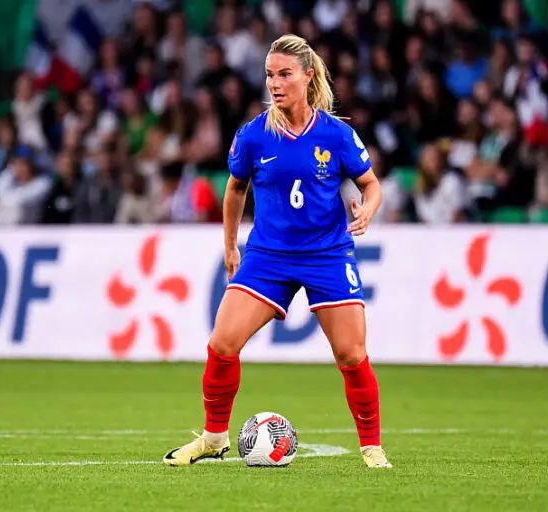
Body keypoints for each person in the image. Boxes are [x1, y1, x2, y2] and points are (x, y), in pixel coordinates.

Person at [163, 34, 390, 468]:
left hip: (327, 254)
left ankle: (371, 447)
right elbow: (235, 189)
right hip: (268, 256)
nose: (275, 83)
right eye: (270, 75)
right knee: (222, 342)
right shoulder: (253, 135)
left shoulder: (337, 134)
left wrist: (367, 210)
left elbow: (371, 184)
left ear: (308, 76)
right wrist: (230, 246)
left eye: (285, 74)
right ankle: (213, 438)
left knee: (351, 354)